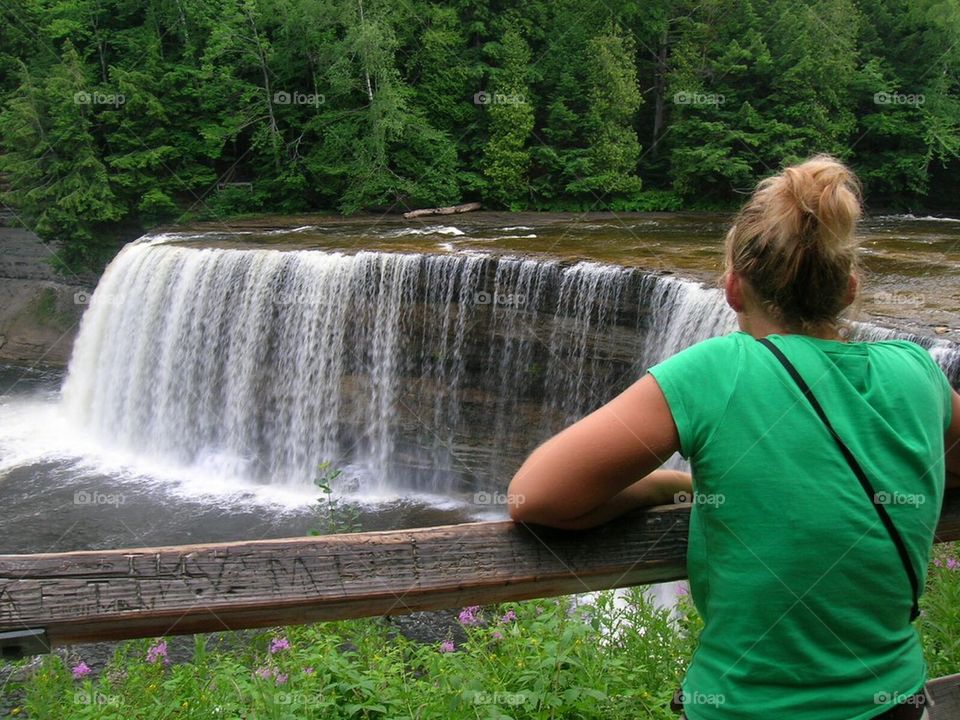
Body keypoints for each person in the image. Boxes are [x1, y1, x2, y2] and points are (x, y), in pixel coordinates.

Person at [507, 155, 960, 720]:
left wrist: (667, 486)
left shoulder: (719, 369)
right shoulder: (917, 373)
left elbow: (536, 496)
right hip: (895, 702)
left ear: (732, 288)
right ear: (848, 288)